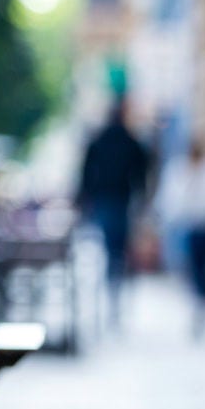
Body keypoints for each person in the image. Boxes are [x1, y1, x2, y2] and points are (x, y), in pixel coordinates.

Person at [75, 96, 151, 323]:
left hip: (105, 200)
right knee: (117, 248)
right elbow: (141, 174)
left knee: (110, 247)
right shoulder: (131, 141)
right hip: (121, 199)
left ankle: (112, 287)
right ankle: (114, 288)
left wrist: (84, 197)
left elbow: (86, 172)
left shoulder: (99, 140)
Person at [156, 139, 205, 336]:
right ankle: (200, 299)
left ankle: (203, 299)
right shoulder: (179, 170)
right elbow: (170, 199)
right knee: (193, 264)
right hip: (189, 226)